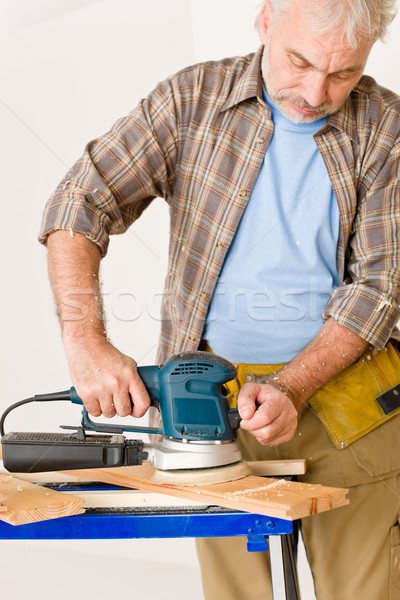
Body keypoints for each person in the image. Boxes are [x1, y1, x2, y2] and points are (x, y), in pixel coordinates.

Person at [39, 0, 400, 597]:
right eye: (300, 61)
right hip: (206, 409)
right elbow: (79, 202)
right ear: (266, 22)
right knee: (238, 593)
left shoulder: (387, 127)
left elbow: (381, 289)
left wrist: (292, 386)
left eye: (343, 73)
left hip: (353, 410)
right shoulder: (191, 100)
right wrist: (86, 343)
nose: (315, 92)